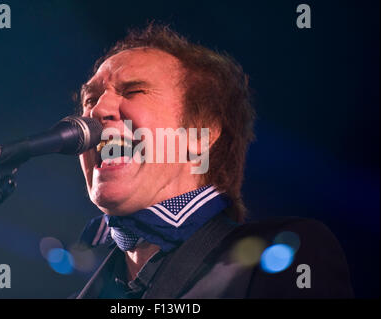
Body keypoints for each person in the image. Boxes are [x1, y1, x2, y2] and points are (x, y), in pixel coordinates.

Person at [75, 23, 353, 298]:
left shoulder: (284, 255)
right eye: (91, 98)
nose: (97, 110)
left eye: (133, 91)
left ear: (200, 134)